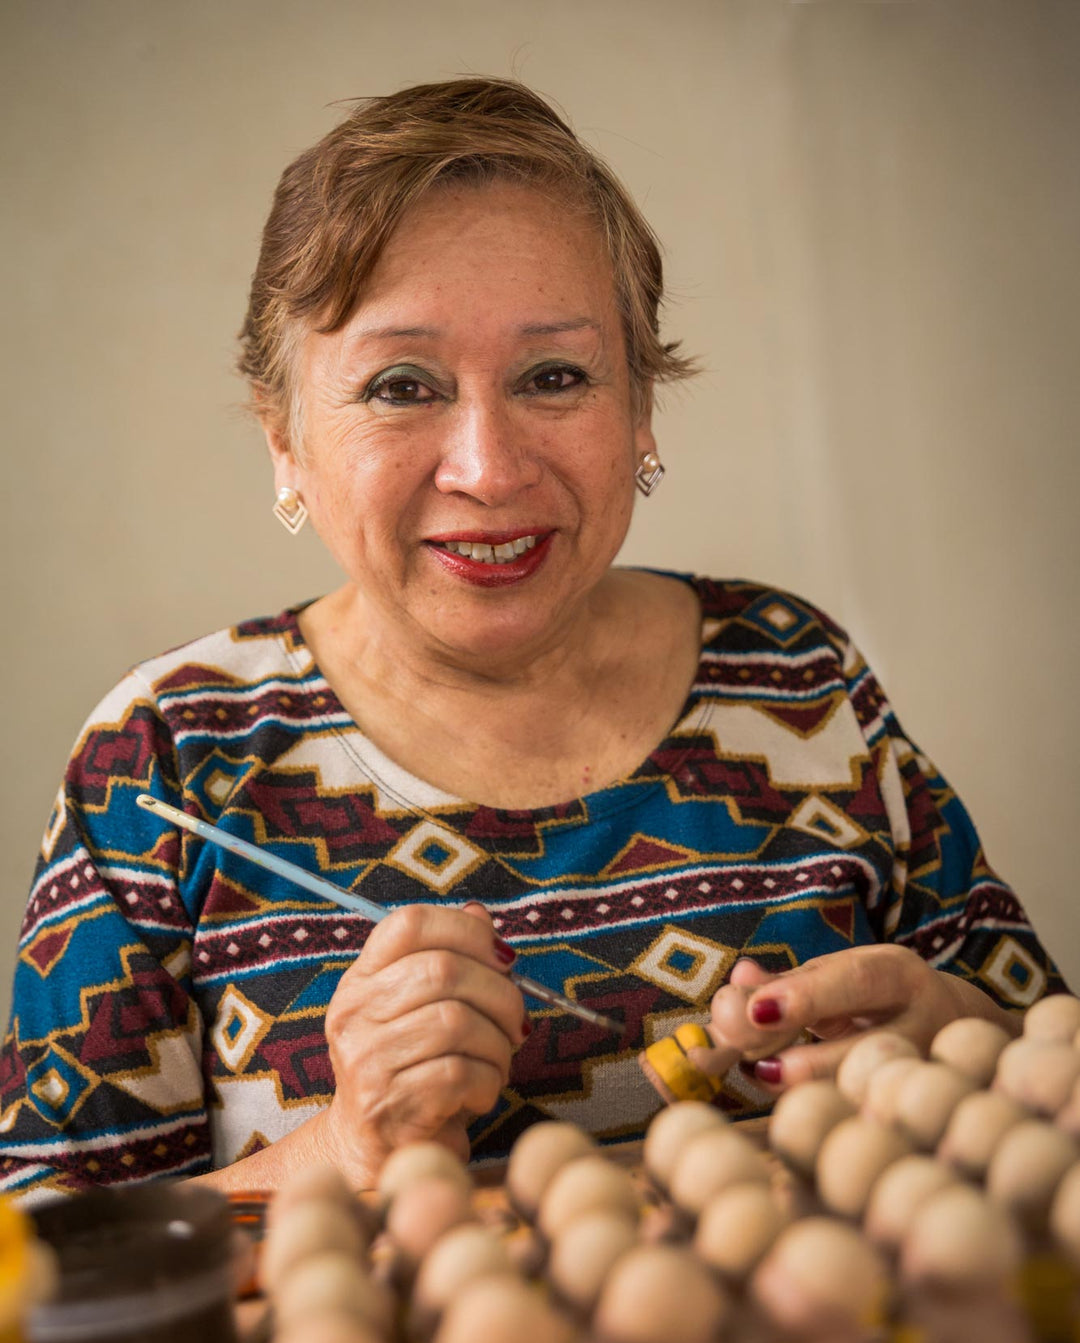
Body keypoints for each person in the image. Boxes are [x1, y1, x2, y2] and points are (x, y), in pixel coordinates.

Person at [0, 79, 1065, 1204]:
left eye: (555, 376)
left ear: (641, 407)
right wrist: (344, 1149)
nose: (491, 469)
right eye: (402, 385)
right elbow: (45, 1273)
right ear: (286, 442)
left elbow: (1049, 1075)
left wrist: (969, 1048)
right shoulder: (166, 757)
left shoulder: (798, 677)